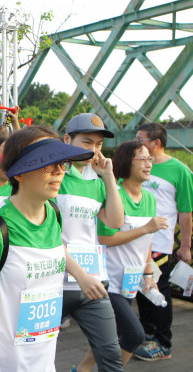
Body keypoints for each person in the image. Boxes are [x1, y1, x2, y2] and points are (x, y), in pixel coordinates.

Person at [0, 126, 106, 371]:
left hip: (43, 360)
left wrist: (81, 275)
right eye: (47, 163)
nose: (59, 171)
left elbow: (56, 247)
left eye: (61, 163)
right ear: (18, 173)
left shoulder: (53, 214)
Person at [55, 113, 125, 372]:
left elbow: (115, 221)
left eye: (98, 144)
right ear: (67, 140)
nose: (94, 150)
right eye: (87, 142)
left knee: (110, 353)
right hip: (53, 281)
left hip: (91, 281)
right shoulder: (54, 176)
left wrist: (108, 177)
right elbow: (49, 235)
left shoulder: (97, 180)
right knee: (37, 352)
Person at [97, 141, 168, 365]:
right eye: (142, 159)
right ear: (127, 162)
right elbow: (105, 239)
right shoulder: (114, 194)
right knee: (134, 335)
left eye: (150, 159)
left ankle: (82, 369)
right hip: (109, 282)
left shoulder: (150, 198)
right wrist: (146, 228)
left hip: (131, 282)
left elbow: (147, 242)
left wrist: (149, 274)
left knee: (113, 336)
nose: (149, 164)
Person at [134, 122, 193, 361]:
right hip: (135, 239)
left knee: (159, 291)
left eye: (140, 140)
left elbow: (186, 211)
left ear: (156, 143)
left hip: (159, 242)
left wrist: (185, 246)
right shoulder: (136, 164)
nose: (136, 143)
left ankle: (163, 343)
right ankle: (147, 334)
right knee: (141, 290)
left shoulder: (180, 170)